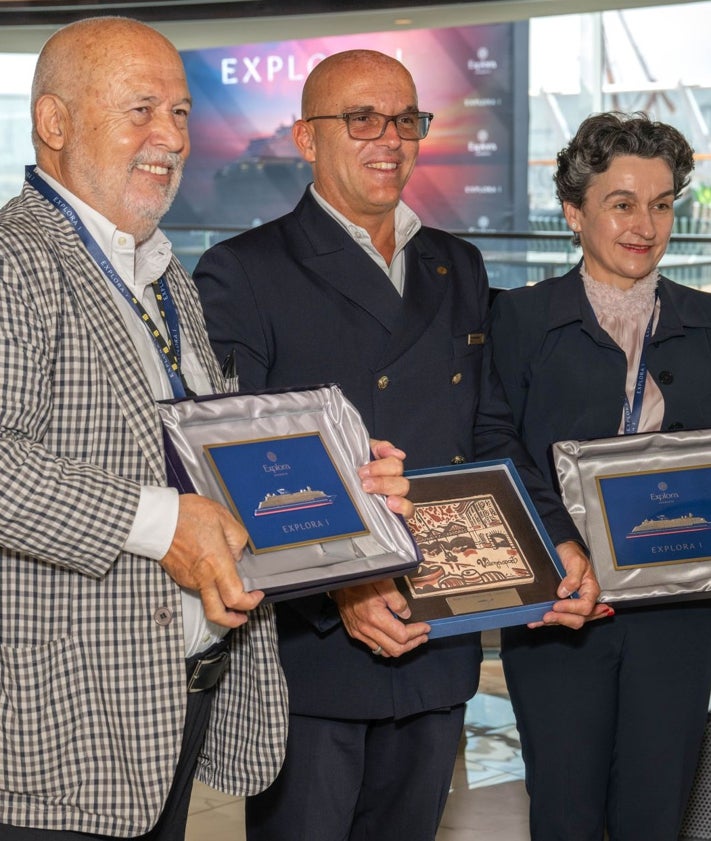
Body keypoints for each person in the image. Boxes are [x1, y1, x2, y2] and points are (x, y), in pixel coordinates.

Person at [0, 19, 412, 840]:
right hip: (54, 737)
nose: (171, 138)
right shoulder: (17, 260)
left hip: (164, 709)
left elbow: (214, 456)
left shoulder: (160, 273)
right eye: (141, 110)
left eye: (182, 113)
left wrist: (342, 480)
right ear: (54, 123)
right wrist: (162, 526)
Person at [194, 49, 601, 841]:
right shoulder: (242, 271)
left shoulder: (458, 263)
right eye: (361, 120)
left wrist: (553, 539)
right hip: (310, 654)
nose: (390, 139)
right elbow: (235, 470)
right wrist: (337, 590)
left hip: (438, 634)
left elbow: (489, 431)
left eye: (406, 120)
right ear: (306, 138)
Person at [489, 112, 711, 841]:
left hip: (678, 614)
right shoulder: (517, 319)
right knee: (564, 812)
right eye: (620, 202)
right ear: (573, 213)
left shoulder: (707, 322)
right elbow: (494, 439)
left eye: (660, 202)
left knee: (655, 811)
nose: (643, 224)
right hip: (559, 609)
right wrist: (557, 541)